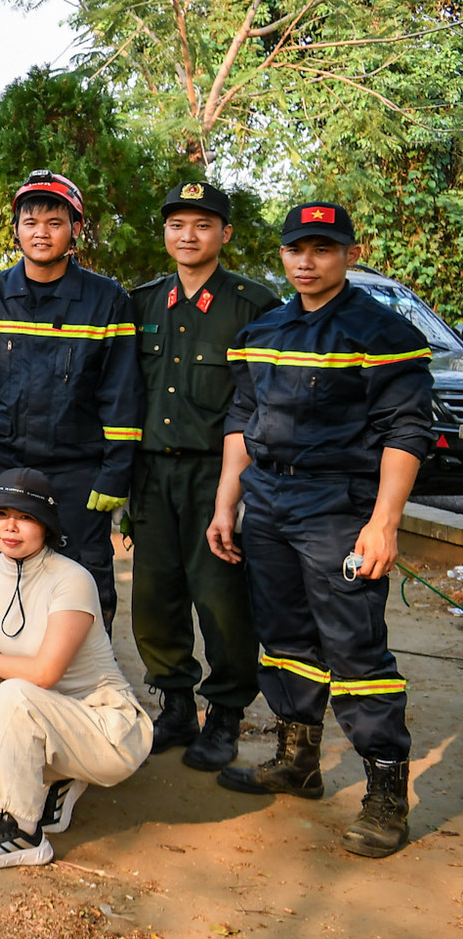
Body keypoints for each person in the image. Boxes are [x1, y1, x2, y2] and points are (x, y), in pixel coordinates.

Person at [210, 201, 432, 858]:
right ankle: (297, 758)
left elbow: (407, 429)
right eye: (296, 249)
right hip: (269, 498)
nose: (307, 261)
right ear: (282, 254)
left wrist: (384, 524)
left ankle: (386, 791)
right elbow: (242, 418)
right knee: (282, 633)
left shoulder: (379, 331)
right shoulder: (267, 329)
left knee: (355, 646)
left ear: (350, 255)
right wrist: (228, 504)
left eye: (323, 249)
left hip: (338, 504)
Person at [0, 171, 143, 627]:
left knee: (82, 583)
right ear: (16, 230)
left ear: (75, 229)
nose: (41, 232)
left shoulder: (106, 301)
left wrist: (115, 473)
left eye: (55, 222)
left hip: (77, 472)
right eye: (30, 222)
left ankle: (83, 689)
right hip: (0, 467)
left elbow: (121, 393)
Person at [0, 468, 154, 869]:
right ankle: (51, 792)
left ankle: (25, 833)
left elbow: (45, 674)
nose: (10, 527)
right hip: (34, 725)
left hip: (102, 726)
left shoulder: (72, 579)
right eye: (0, 514)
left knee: (16, 693)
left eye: (26, 517)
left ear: (46, 526)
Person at [128, 181, 280, 770]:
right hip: (151, 475)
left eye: (202, 225)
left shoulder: (254, 306)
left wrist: (239, 493)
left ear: (225, 233)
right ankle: (174, 706)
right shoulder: (142, 303)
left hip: (220, 478)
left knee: (221, 601)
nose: (187, 236)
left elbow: (263, 404)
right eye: (176, 225)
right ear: (164, 233)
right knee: (155, 599)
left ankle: (225, 714)